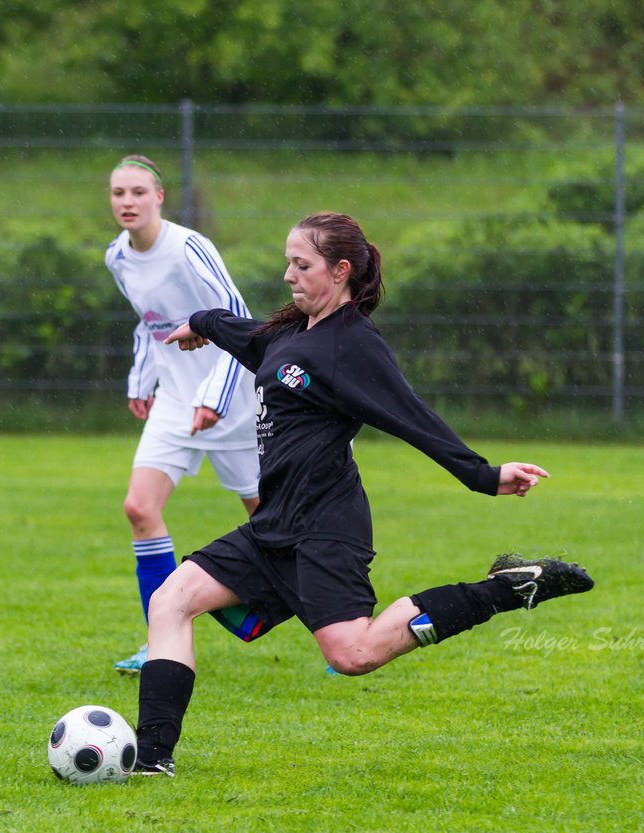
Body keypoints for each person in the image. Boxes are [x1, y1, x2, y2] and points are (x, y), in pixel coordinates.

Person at [131, 212, 595, 776]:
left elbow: (410, 417)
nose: (288, 275)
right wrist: (201, 321)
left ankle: (501, 589)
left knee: (354, 655)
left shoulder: (353, 346)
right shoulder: (291, 334)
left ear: (340, 270)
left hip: (327, 528)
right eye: (288, 262)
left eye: (302, 265)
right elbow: (248, 337)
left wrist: (483, 474)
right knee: (170, 601)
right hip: (273, 525)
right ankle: (150, 760)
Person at [105, 154, 262, 675]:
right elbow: (147, 324)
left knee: (271, 522)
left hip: (231, 399)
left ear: (159, 197)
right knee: (138, 507)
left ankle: (338, 628)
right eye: (118, 193)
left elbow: (239, 319)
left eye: (137, 192)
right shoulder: (117, 257)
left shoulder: (188, 246)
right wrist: (140, 380)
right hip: (174, 401)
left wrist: (214, 396)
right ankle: (159, 641)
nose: (127, 202)